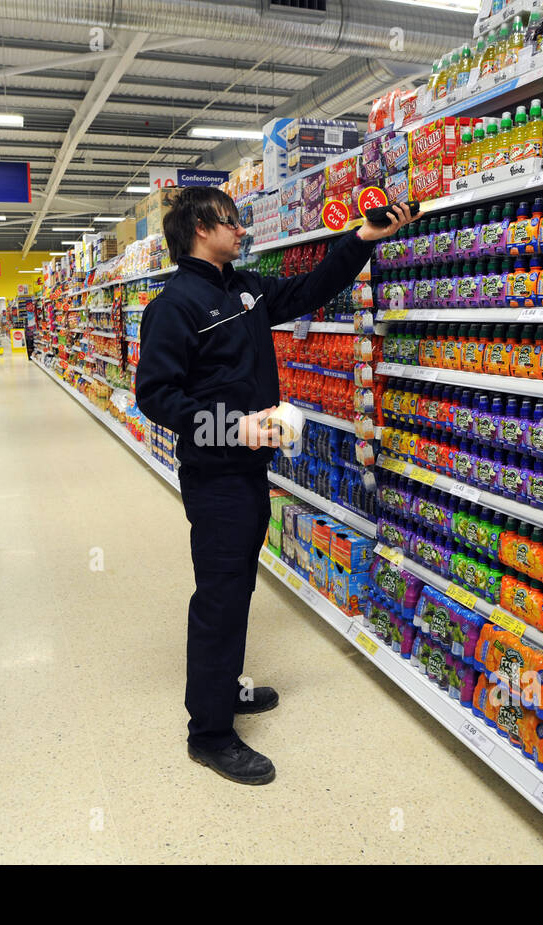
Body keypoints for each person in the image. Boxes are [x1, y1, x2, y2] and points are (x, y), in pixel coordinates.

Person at [136, 187, 419, 784]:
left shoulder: (243, 289)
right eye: (231, 222)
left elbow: (308, 290)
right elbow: (156, 395)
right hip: (215, 475)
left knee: (238, 589)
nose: (240, 231)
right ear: (199, 228)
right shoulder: (174, 304)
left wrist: (362, 240)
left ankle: (224, 691)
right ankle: (208, 733)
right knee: (219, 596)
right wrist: (232, 426)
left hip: (250, 468)